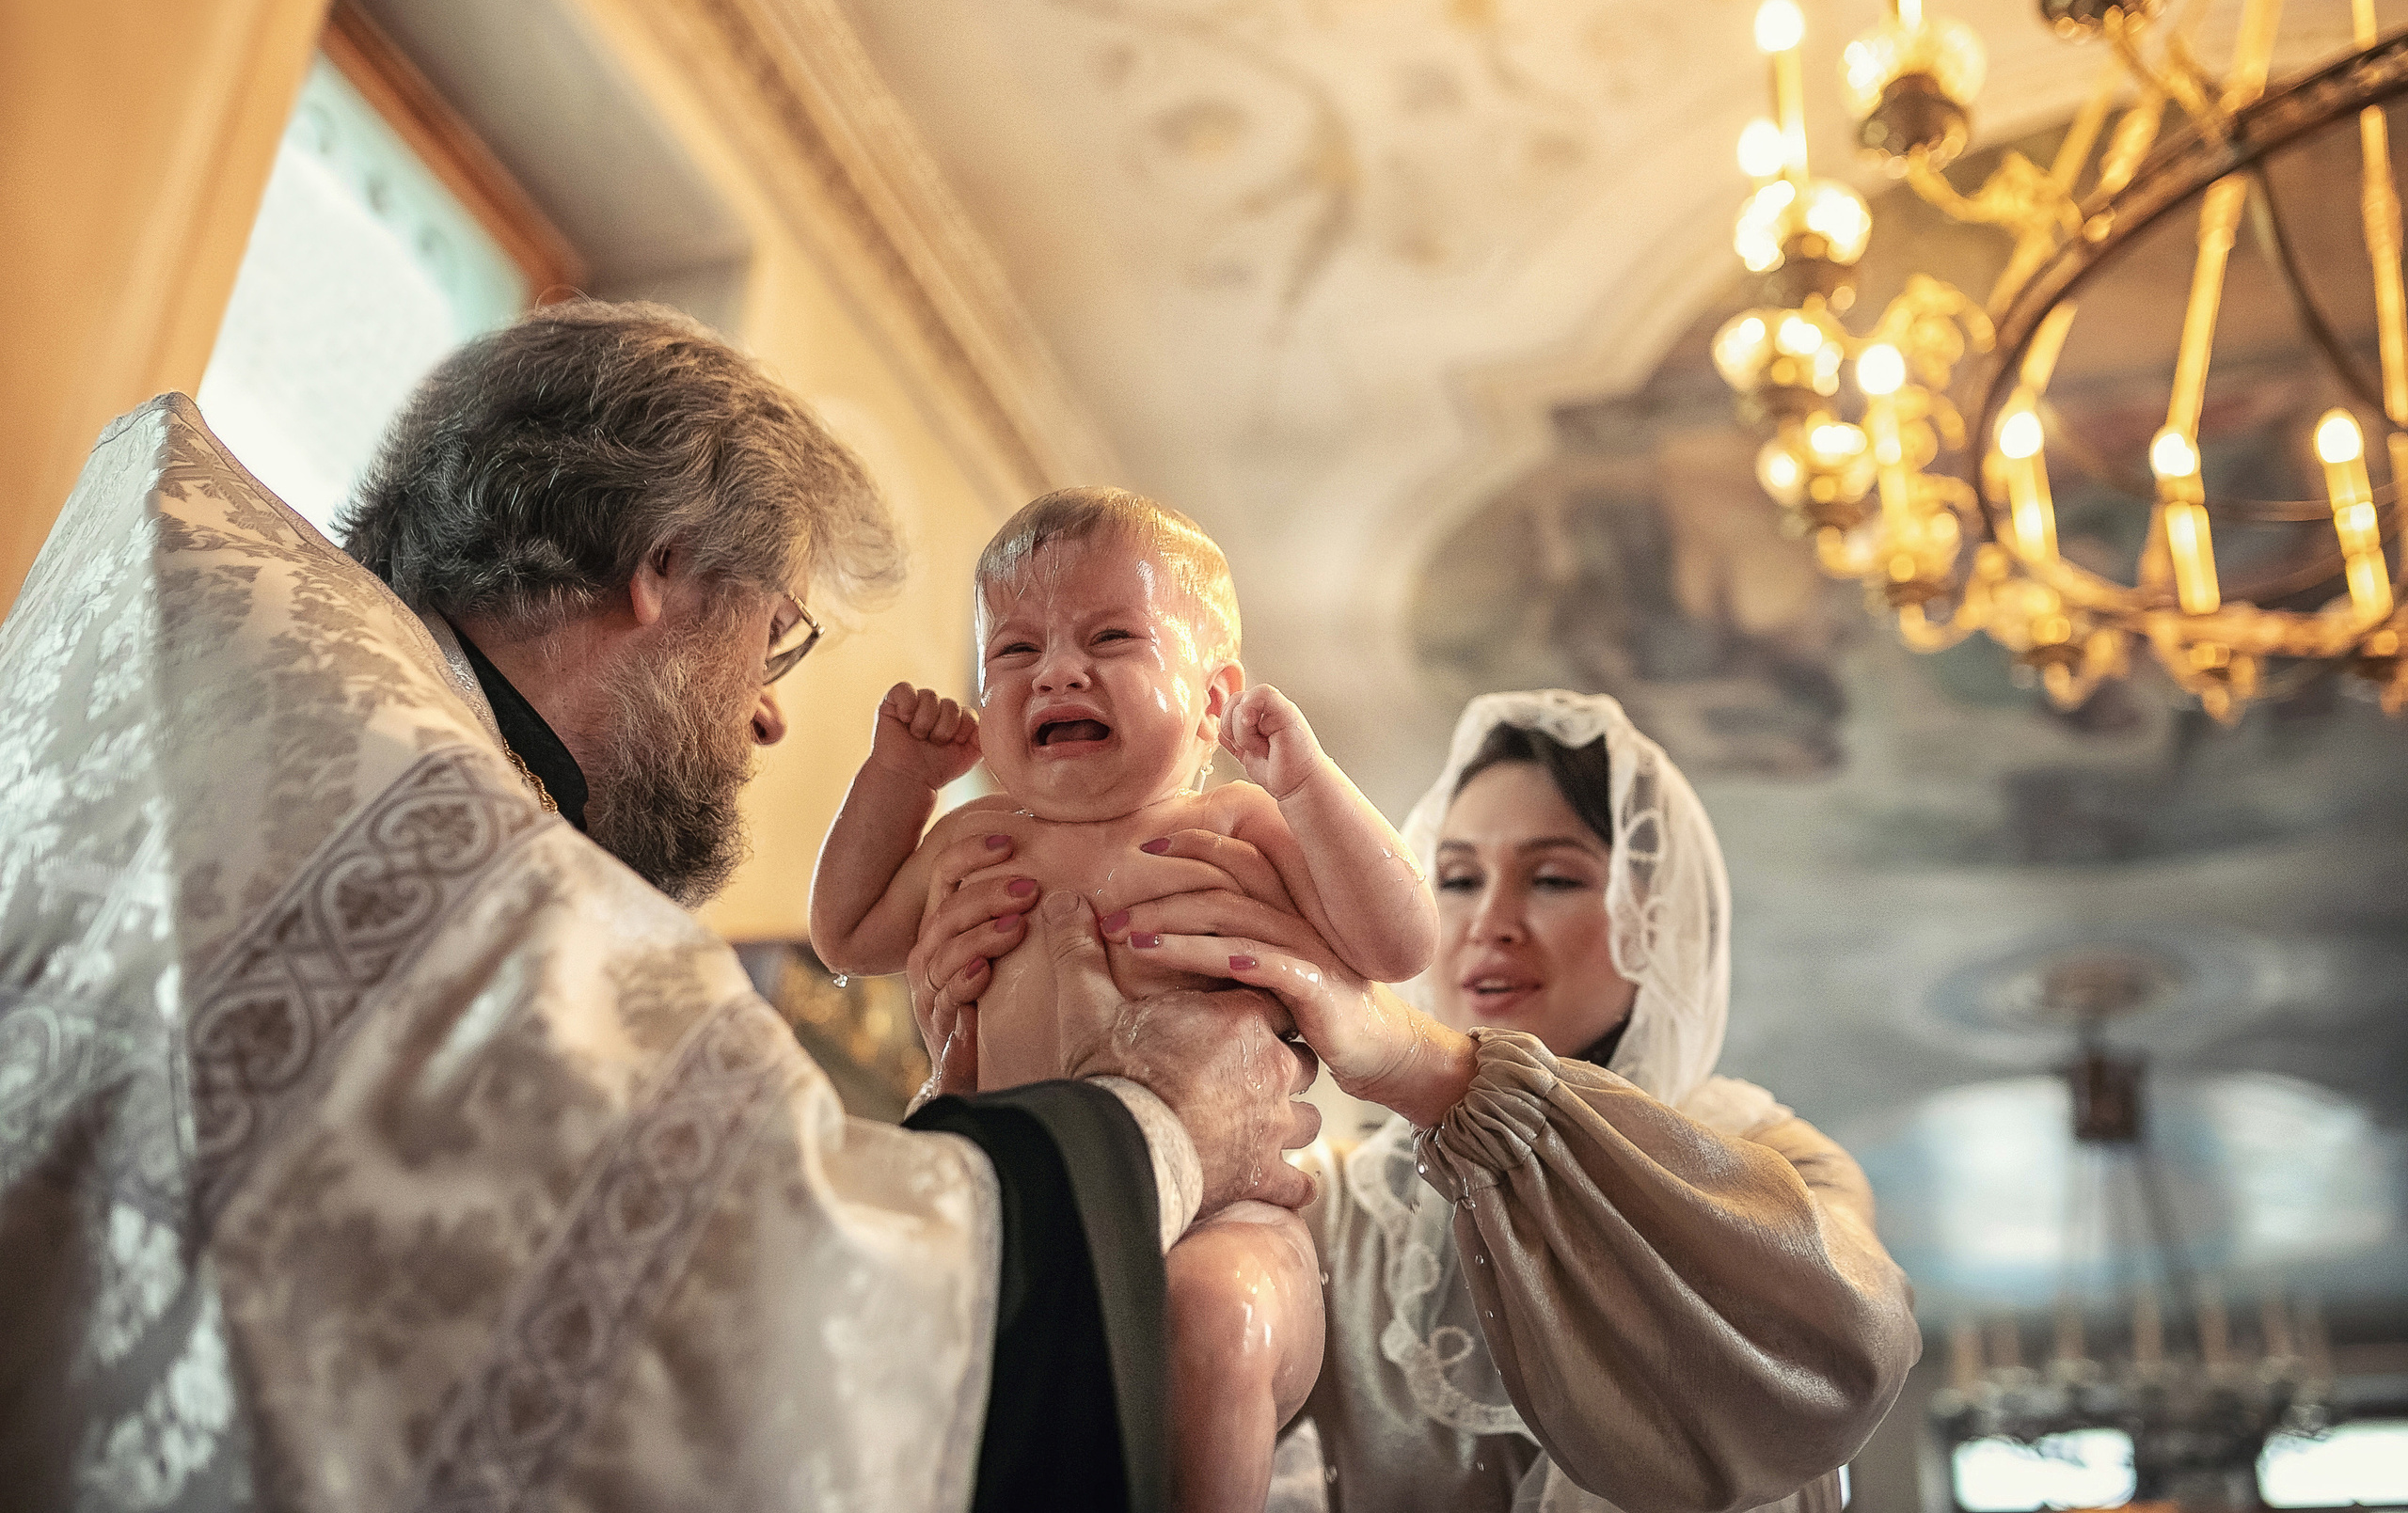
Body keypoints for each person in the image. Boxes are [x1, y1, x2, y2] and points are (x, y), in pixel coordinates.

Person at [0, 302, 1320, 1512]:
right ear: (665, 568)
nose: (769, 713)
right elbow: (766, 1293)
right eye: (776, 634)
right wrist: (1161, 1123)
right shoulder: (449, 853)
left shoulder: (323, 745)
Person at [909, 688, 1921, 1512]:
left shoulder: (1773, 1161)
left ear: (1652, 919)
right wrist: (984, 1056)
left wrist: (1421, 1063)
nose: (1489, 923)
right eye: (1458, 878)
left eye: (1554, 880)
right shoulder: (1333, 1207)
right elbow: (1079, 1364)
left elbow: (1838, 1351)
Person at [810, 487, 1434, 1512]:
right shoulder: (974, 841)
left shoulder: (1233, 825)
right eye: (1014, 652)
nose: (1057, 671)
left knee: (1212, 1316)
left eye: (1110, 637)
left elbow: (1398, 943)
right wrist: (896, 779)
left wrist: (1308, 784)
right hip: (1036, 1217)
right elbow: (846, 931)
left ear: (1214, 700)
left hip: (1228, 1219)